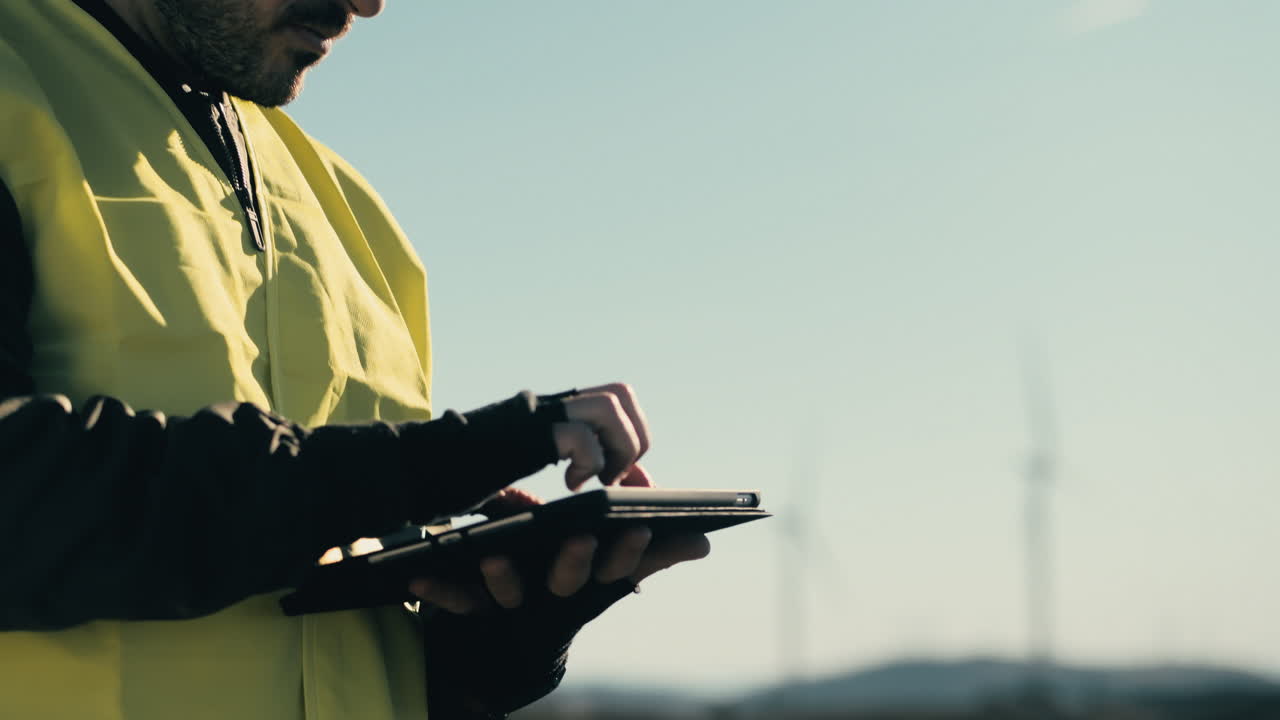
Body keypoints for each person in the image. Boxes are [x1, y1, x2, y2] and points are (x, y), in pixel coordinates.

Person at [0, 1, 710, 718]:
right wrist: (423, 467)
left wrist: (500, 645)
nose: (368, 4)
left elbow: (318, 624)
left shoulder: (347, 208)